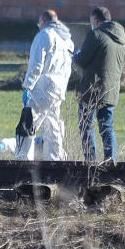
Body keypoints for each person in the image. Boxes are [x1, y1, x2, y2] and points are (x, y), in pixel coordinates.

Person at [17, 9, 74, 160]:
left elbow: (36, 65)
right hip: (59, 88)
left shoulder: (44, 35)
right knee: (53, 124)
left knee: (29, 121)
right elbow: (68, 68)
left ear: (42, 22)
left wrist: (28, 86)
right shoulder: (66, 40)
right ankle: (54, 159)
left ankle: (24, 159)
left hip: (43, 86)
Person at [74, 6, 125, 161]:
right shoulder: (121, 37)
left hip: (92, 89)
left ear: (95, 20)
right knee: (107, 127)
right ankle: (111, 163)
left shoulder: (95, 34)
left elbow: (82, 60)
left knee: (86, 127)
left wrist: (75, 57)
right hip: (111, 89)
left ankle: (91, 162)